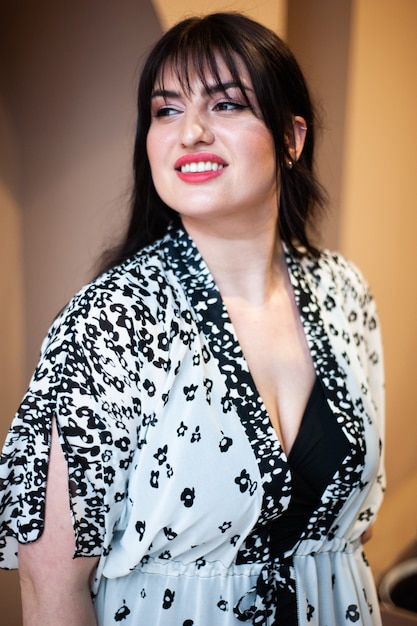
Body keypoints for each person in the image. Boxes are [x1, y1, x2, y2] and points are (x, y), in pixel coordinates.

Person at [0, 12, 385, 626]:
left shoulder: (344, 291)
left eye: (227, 105)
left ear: (292, 137)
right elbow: (51, 590)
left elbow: (349, 527)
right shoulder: (113, 320)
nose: (192, 133)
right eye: (167, 111)